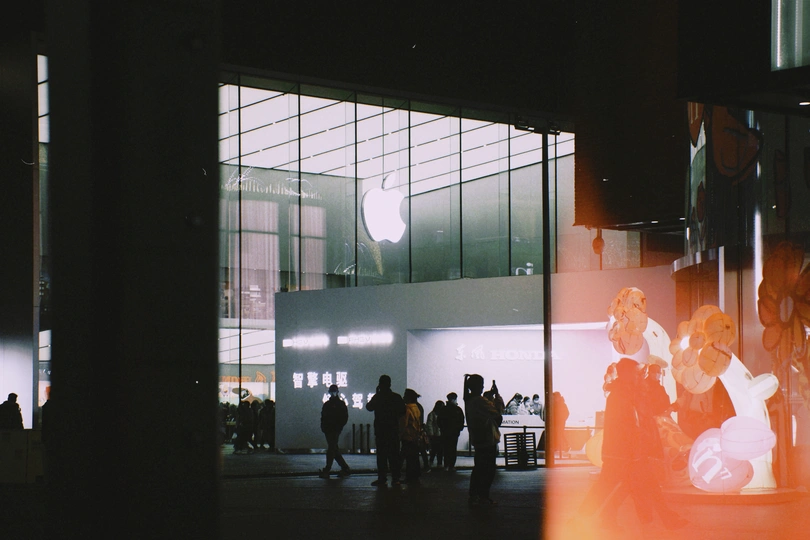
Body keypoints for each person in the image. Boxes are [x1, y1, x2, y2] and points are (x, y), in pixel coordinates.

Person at [464, 374, 504, 505]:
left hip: (478, 438)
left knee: (479, 469)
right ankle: (483, 496)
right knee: (488, 470)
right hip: (487, 439)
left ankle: (474, 494)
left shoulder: (469, 400)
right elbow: (497, 412)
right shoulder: (480, 401)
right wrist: (497, 397)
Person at [366, 374, 406, 486]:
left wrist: (377, 393)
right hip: (393, 430)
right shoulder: (396, 397)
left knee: (382, 456)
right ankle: (396, 478)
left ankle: (382, 478)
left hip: (380, 431)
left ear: (380, 384)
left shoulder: (378, 397)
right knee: (394, 456)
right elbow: (402, 411)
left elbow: (369, 407)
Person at [319, 384, 351, 479]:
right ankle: (345, 468)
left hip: (333, 429)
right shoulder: (332, 404)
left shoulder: (333, 405)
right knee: (333, 449)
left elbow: (343, 417)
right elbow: (324, 417)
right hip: (330, 429)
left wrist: (337, 426)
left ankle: (328, 469)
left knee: (331, 449)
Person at [400, 388, 423, 484]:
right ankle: (415, 476)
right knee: (414, 458)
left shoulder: (407, 408)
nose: (403, 397)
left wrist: (399, 433)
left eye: (405, 396)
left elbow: (403, 424)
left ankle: (409, 477)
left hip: (408, 436)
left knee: (409, 458)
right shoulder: (416, 408)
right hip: (415, 436)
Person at [438, 392, 465, 472]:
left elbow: (439, 420)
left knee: (446, 449)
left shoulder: (444, 409)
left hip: (445, 432)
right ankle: (451, 465)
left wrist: (442, 428)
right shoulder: (458, 409)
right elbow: (461, 420)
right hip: (454, 433)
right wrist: (459, 428)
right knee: (453, 449)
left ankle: (446, 465)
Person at [425, 400, 444, 470]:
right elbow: (429, 425)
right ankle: (437, 463)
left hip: (437, 435)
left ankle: (433, 462)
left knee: (437, 450)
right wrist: (431, 434)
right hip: (436, 435)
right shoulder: (433, 414)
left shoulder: (432, 414)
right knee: (436, 449)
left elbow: (429, 424)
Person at [551, 391, 570, 458]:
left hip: (560, 423)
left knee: (560, 434)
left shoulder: (562, 404)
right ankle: (561, 447)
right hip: (557, 422)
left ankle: (565, 446)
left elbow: (567, 413)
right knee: (558, 434)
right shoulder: (556, 404)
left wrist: (562, 419)